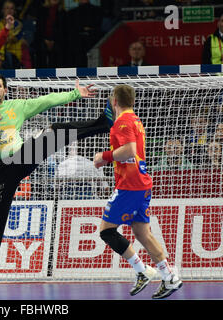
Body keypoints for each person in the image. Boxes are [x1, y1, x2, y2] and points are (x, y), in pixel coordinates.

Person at [0, 72, 114, 293]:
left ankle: (103, 124)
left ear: (5, 90)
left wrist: (75, 93)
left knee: (54, 132)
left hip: (20, 159)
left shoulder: (17, 106)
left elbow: (45, 101)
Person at [93, 84, 182, 299]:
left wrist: (103, 158)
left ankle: (142, 271)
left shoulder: (122, 122)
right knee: (143, 234)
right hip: (140, 183)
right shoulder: (136, 120)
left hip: (130, 185)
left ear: (114, 101)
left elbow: (129, 150)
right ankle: (170, 276)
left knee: (106, 231)